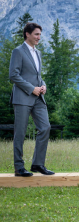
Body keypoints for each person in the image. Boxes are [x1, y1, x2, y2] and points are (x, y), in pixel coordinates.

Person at [9, 23, 54, 177]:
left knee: (45, 127)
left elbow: (37, 76)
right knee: (20, 132)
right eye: (36, 34)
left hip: (38, 98)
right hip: (22, 97)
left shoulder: (38, 53)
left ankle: (38, 163)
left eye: (40, 34)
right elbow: (13, 75)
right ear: (27, 34)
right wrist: (31, 88)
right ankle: (19, 167)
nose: (39, 37)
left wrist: (43, 85)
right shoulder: (18, 51)